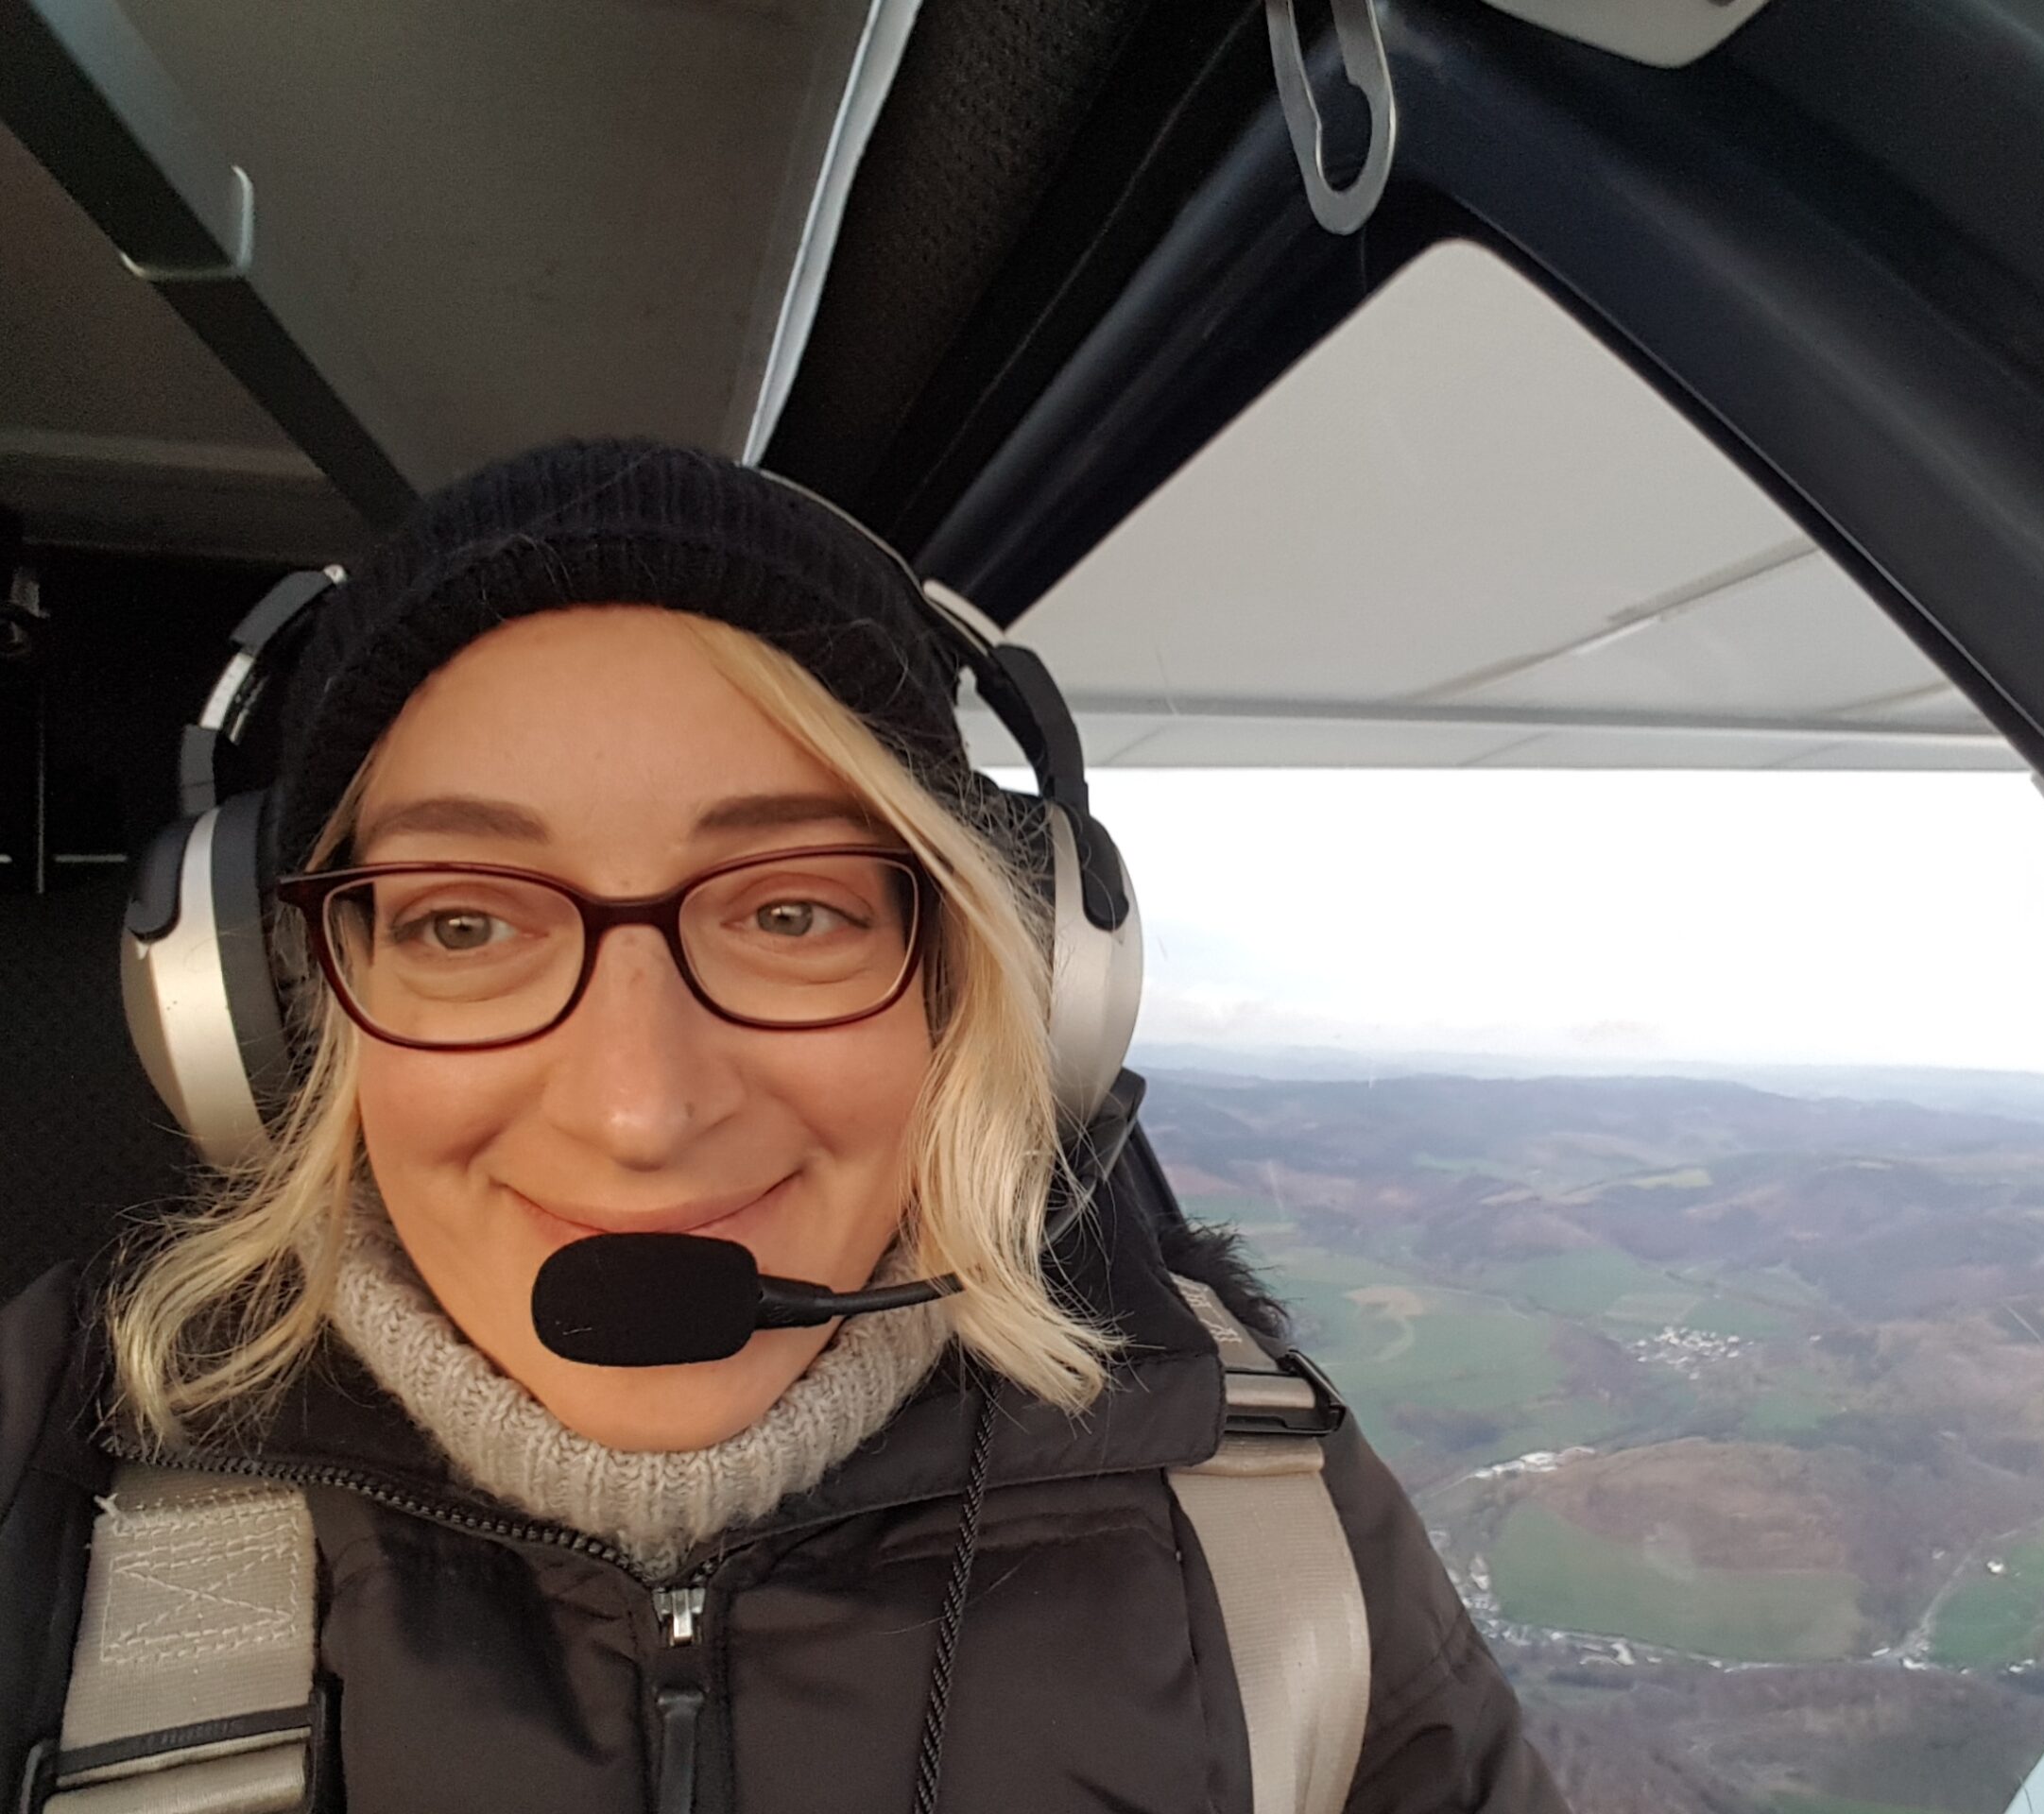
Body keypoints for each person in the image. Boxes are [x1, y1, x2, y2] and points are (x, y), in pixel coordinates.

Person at [0, 441, 1568, 1813]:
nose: (639, 1109)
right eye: (464, 925)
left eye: (792, 912)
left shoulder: (1269, 1522)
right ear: (281, 1017)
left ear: (979, 985)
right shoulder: (42, 1464)